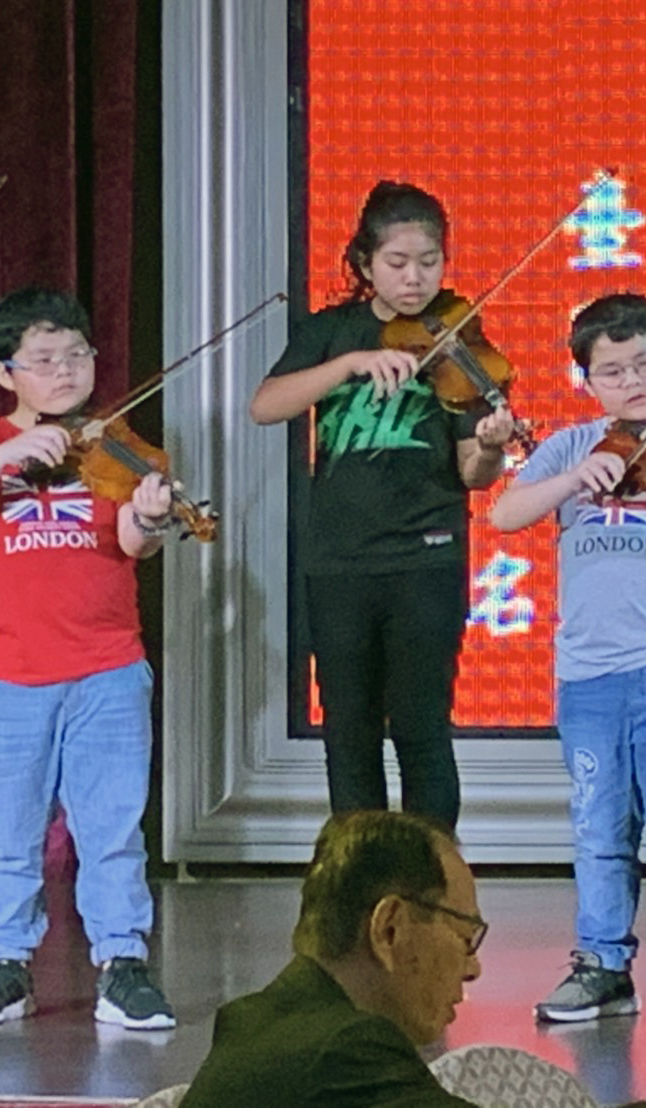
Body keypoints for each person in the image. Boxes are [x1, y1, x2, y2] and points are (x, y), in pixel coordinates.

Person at [0, 287, 175, 1029]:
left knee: (112, 829)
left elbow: (133, 546)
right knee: (10, 831)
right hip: (10, 676)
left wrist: (150, 517)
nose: (64, 372)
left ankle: (122, 963)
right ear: (7, 373)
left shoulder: (122, 446)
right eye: (44, 360)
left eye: (76, 356)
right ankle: (6, 963)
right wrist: (9, 452)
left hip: (108, 667)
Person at [489, 294, 646, 1034]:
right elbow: (505, 514)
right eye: (613, 371)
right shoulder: (570, 445)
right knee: (598, 830)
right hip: (589, 676)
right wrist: (575, 478)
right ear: (589, 381)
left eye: (645, 364)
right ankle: (602, 966)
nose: (633, 381)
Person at [250, 181, 515, 831]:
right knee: (350, 731)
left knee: (422, 729)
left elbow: (475, 474)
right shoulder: (330, 331)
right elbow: (266, 406)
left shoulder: (457, 339)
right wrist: (349, 364)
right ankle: (362, 872)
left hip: (427, 558)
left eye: (429, 261)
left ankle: (430, 875)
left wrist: (489, 447)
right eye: (397, 263)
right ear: (365, 264)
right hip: (338, 562)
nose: (414, 278)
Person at [179, 810, 646, 1108]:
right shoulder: (341, 1051)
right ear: (390, 928)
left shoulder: (262, 1021)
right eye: (465, 937)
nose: (473, 969)